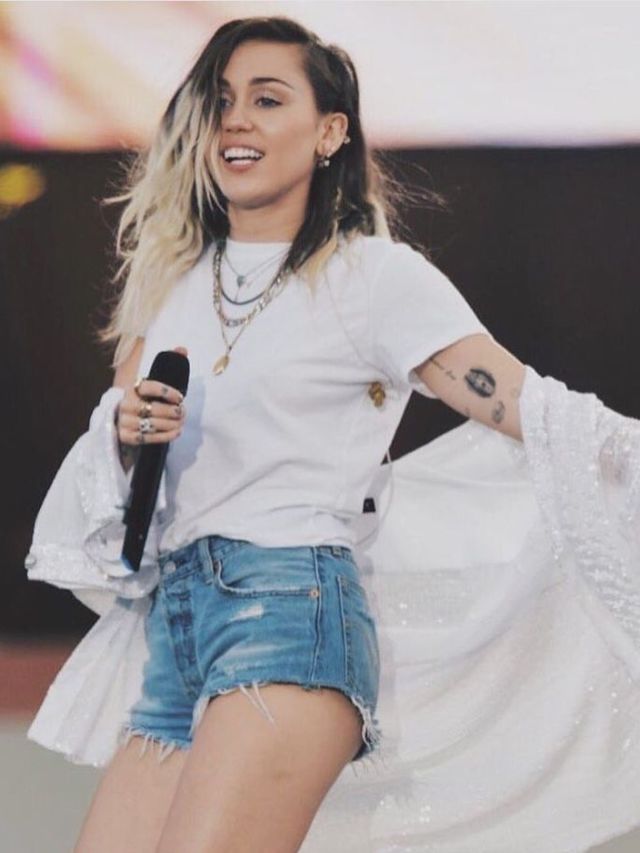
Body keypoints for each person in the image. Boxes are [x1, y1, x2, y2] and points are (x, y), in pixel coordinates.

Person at [24, 15, 640, 853]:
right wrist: (126, 435)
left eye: (267, 99)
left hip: (290, 608)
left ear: (329, 133)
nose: (236, 120)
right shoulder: (169, 285)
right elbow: (128, 494)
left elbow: (524, 404)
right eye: (221, 100)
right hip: (173, 628)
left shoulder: (372, 278)